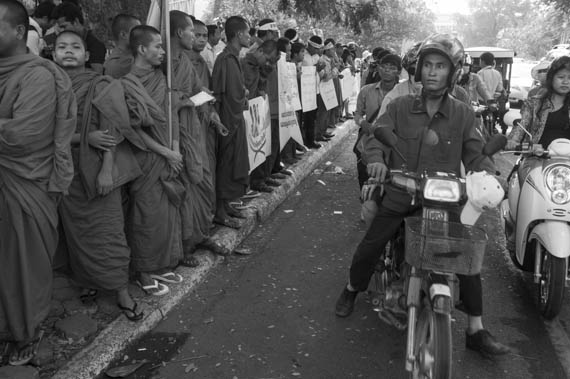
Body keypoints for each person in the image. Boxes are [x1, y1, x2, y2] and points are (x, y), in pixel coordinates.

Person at [335, 34, 511, 357]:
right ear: (419, 71)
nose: (432, 72)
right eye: (427, 66)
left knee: (468, 256)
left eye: (440, 67)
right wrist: (375, 162)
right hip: (402, 194)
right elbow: (375, 137)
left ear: (451, 73)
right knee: (372, 243)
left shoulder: (463, 114)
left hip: (445, 199)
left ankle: (476, 328)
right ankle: (351, 288)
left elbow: (475, 151)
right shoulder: (400, 107)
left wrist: (485, 174)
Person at [0, 0, 76, 365]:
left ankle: (27, 330)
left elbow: (22, 136)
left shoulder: (37, 75)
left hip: (25, 184)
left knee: (24, 263)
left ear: (19, 31)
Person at [53, 30, 143, 321]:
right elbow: (44, 133)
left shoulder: (103, 84)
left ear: (87, 55)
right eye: (62, 47)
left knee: (108, 232)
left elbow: (112, 130)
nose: (68, 51)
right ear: (52, 54)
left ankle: (121, 293)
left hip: (97, 170)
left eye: (75, 47)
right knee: (76, 234)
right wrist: (83, 138)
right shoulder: (47, 86)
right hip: (66, 171)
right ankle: (88, 281)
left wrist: (106, 170)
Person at [121, 25, 185, 295]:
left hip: (168, 154)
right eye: (157, 46)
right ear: (141, 49)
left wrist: (175, 149)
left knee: (165, 213)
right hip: (146, 157)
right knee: (146, 214)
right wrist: (165, 152)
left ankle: (159, 263)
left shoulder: (161, 78)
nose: (162, 51)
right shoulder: (127, 84)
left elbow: (169, 117)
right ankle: (143, 270)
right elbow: (133, 129)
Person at [169, 10, 218, 265]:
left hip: (195, 132)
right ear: (180, 33)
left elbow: (198, 93)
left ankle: (201, 234)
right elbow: (168, 102)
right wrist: (187, 101)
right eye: (192, 32)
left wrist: (208, 108)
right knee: (184, 191)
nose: (198, 38)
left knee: (204, 185)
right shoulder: (167, 63)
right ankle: (185, 246)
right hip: (174, 134)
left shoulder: (187, 63)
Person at [212, 16, 251, 228]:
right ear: (238, 34)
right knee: (225, 166)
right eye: (247, 33)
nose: (250, 37)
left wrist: (242, 94)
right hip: (227, 123)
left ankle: (226, 205)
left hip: (236, 119)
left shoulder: (234, 58)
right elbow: (218, 93)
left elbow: (235, 90)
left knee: (235, 164)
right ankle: (219, 211)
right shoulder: (224, 59)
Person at [506, 55, 570, 150]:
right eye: (561, 77)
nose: (566, 82)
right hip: (536, 159)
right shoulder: (533, 104)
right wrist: (513, 142)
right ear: (551, 78)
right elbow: (518, 130)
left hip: (565, 162)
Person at [52, 2, 106, 73]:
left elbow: (97, 73)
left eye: (64, 27)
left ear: (76, 22)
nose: (61, 31)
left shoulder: (95, 44)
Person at [302, 35, 324, 149]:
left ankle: (311, 139)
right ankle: (305, 141)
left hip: (314, 90)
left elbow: (320, 72)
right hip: (304, 92)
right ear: (309, 45)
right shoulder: (303, 56)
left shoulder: (316, 57)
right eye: (315, 48)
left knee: (312, 116)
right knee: (306, 118)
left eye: (318, 49)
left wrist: (320, 69)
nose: (316, 51)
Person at [103, 13, 140, 78]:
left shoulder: (132, 56)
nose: (141, 34)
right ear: (123, 35)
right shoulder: (119, 64)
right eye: (137, 31)